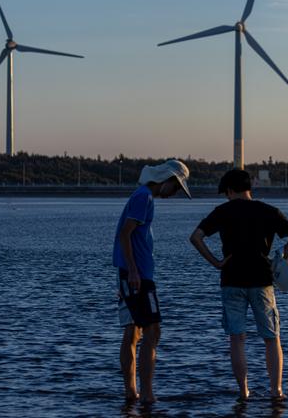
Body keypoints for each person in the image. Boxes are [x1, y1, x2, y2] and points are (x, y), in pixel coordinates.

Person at [189, 169, 288, 400]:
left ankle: (244, 392)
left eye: (226, 193)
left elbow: (196, 237)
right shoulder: (268, 211)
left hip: (231, 280)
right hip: (262, 281)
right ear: (249, 188)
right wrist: (285, 253)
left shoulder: (222, 212)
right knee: (272, 337)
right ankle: (276, 391)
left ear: (230, 190)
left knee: (237, 339)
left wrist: (216, 263)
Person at [113, 159, 191, 403]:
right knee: (153, 330)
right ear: (166, 180)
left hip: (130, 274)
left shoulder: (141, 196)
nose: (175, 193)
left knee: (133, 331)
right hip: (137, 276)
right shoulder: (144, 197)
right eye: (176, 188)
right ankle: (146, 394)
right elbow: (126, 233)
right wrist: (134, 271)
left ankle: (132, 393)